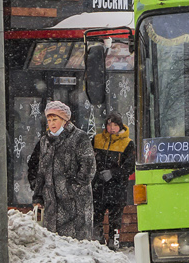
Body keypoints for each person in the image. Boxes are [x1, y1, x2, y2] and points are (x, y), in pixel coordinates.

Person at [28, 100, 97, 240]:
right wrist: (38, 195)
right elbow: (41, 170)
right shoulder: (44, 141)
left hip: (75, 205)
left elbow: (88, 167)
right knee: (54, 248)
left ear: (65, 120)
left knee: (75, 247)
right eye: (49, 120)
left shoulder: (79, 137)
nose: (52, 123)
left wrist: (72, 188)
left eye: (55, 119)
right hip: (51, 205)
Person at [92, 112, 134, 250]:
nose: (112, 128)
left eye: (115, 125)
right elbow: (87, 160)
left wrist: (113, 173)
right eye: (109, 125)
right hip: (98, 187)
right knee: (95, 217)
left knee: (115, 220)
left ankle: (113, 243)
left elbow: (130, 166)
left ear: (120, 126)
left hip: (117, 188)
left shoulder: (128, 143)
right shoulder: (96, 140)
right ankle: (97, 242)